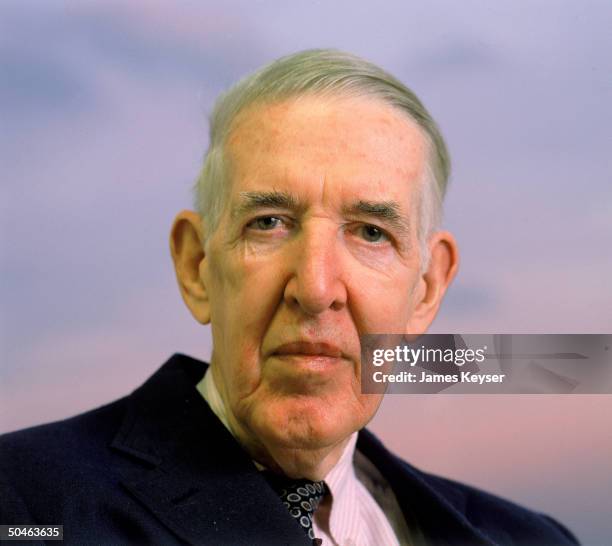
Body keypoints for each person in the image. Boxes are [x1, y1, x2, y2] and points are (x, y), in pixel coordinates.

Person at [0, 49, 578, 545]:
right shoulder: (25, 504)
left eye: (371, 232)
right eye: (270, 223)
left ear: (425, 290)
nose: (317, 289)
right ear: (196, 265)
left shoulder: (534, 539)